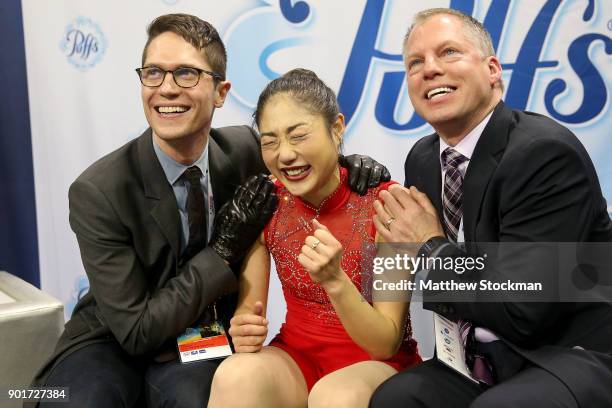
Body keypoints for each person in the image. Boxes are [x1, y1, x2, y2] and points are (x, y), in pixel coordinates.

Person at [29, 14, 389, 408]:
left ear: (221, 92)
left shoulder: (247, 150)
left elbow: (300, 158)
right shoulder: (98, 190)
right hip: (113, 339)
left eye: (185, 74)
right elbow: (135, 331)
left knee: (210, 392)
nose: (166, 89)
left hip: (204, 337)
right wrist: (221, 251)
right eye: (153, 73)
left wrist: (349, 164)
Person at [369, 8, 612, 408]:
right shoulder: (424, 159)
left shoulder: (543, 154)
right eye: (415, 62)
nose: (429, 69)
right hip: (481, 359)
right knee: (395, 399)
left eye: (448, 53)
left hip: (570, 351)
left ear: (493, 69)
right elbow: (419, 278)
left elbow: (523, 310)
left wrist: (430, 246)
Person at [207, 69, 421, 408]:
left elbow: (387, 341)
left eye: (298, 135)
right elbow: (250, 312)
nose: (285, 154)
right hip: (297, 357)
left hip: (376, 363)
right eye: (270, 141)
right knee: (236, 375)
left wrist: (335, 280)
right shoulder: (266, 205)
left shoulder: (386, 206)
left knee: (335, 397)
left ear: (336, 128)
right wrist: (244, 329)